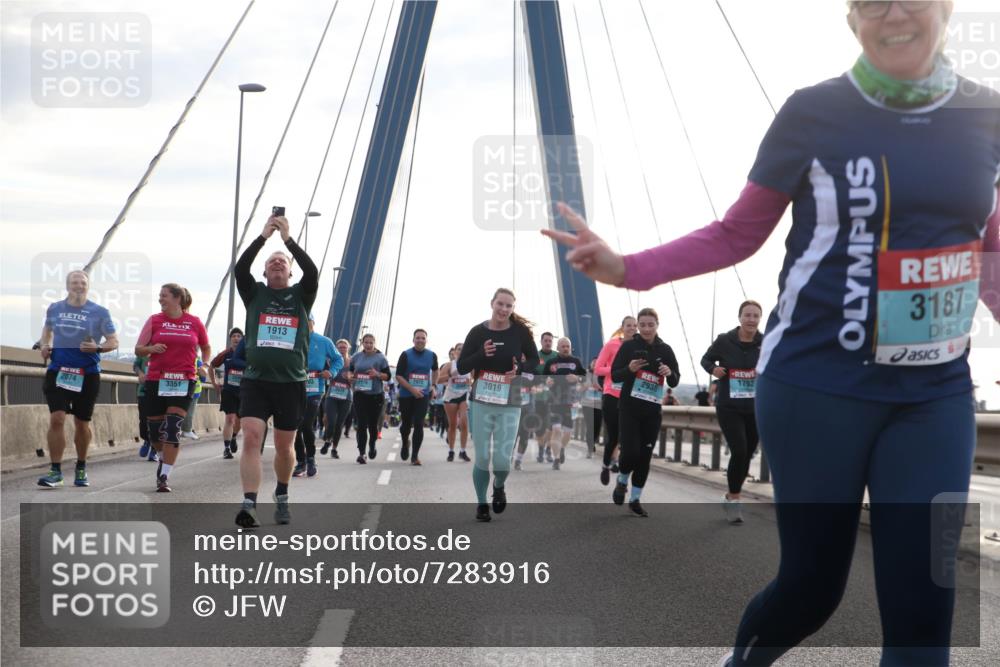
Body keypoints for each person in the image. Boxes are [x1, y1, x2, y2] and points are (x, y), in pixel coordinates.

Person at [544, 1, 1000, 662]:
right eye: (874, 1)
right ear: (852, 19)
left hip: (934, 395)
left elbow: (990, 262)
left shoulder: (987, 116)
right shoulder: (814, 112)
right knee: (812, 589)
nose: (894, 14)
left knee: (927, 608)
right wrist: (627, 269)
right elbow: (738, 233)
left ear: (946, 7)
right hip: (817, 387)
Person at [232, 213, 317, 528]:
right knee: (252, 437)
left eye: (282, 261)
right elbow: (241, 268)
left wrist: (287, 240)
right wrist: (264, 237)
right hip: (256, 380)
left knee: (284, 446)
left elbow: (312, 271)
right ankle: (249, 504)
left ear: (290, 271)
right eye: (272, 262)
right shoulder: (254, 293)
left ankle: (281, 494)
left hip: (291, 383)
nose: (277, 263)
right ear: (265, 272)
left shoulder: (301, 296)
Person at [457, 288, 539, 522]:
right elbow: (462, 367)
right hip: (481, 401)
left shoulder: (520, 332)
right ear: (492, 303)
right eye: (500, 304)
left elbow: (534, 360)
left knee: (502, 460)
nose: (503, 309)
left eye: (508, 306)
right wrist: (481, 354)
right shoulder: (477, 332)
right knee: (482, 458)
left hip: (510, 401)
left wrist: (521, 369)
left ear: (513, 308)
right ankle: (482, 504)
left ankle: (499, 485)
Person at [37, 270, 119, 488]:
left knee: (82, 424)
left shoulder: (100, 312)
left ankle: (81, 466)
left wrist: (99, 347)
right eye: (74, 282)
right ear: (67, 286)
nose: (78, 286)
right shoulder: (55, 308)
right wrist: (45, 344)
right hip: (59, 370)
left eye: (83, 282)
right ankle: (55, 471)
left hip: (87, 374)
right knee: (57, 419)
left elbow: (114, 340)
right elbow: (47, 329)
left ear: (88, 286)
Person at [134, 283, 211, 492]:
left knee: (172, 428)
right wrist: (151, 348)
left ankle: (164, 476)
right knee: (155, 432)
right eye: (159, 296)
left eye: (164, 296)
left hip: (184, 380)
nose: (160, 299)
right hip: (156, 380)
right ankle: (162, 458)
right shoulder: (154, 321)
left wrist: (204, 364)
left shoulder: (194, 322)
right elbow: (138, 349)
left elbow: (205, 347)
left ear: (177, 298)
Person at [609, 308, 680, 517]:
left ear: (657, 325)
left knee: (645, 456)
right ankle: (622, 480)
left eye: (651, 325)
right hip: (629, 408)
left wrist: (669, 373)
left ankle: (635, 499)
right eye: (643, 325)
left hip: (652, 411)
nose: (647, 329)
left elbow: (675, 379)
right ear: (637, 326)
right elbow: (614, 376)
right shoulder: (628, 346)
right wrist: (629, 369)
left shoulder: (665, 349)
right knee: (630, 452)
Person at [701, 300, 764, 524]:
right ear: (740, 317)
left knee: (747, 453)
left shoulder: (765, 342)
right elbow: (706, 359)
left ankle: (730, 494)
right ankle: (735, 499)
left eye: (755, 316)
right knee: (739, 449)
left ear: (759, 319)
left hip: (755, 407)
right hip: (729, 406)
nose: (751, 319)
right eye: (747, 315)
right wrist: (713, 369)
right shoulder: (724, 340)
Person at [294, 314, 343, 477]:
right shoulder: (290, 339)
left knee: (306, 424)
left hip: (315, 388)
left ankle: (310, 459)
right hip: (294, 388)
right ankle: (300, 462)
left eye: (307, 321)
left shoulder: (324, 341)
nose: (304, 324)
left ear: (313, 322)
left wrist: (331, 371)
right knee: (294, 427)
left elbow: (338, 359)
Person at [594, 316, 636, 485]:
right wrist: (618, 368)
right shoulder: (612, 345)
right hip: (611, 394)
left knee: (626, 436)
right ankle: (605, 465)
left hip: (631, 396)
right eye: (628, 325)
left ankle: (621, 471)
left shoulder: (638, 347)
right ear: (622, 327)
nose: (632, 328)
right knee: (613, 436)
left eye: (635, 326)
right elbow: (597, 369)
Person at [395, 329, 439, 466]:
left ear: (426, 340)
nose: (420, 340)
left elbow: (436, 370)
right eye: (418, 338)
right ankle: (404, 443)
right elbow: (398, 376)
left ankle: (414, 456)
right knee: (406, 425)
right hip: (407, 394)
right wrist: (412, 390)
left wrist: (433, 386)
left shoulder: (432, 355)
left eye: (423, 338)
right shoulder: (406, 354)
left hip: (423, 395)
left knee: (419, 423)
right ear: (413, 340)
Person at [541, 337, 586, 470]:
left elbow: (585, 378)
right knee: (556, 429)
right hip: (555, 400)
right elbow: (543, 378)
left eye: (568, 346)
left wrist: (577, 378)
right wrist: (546, 382)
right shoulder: (551, 362)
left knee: (567, 432)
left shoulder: (576, 361)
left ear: (570, 347)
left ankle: (561, 449)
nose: (566, 348)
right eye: (563, 346)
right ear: (558, 348)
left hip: (570, 401)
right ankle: (555, 459)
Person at [349, 333, 391, 464]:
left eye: (370, 343)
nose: (368, 345)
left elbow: (388, 376)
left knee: (373, 426)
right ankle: (362, 453)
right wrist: (350, 376)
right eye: (366, 342)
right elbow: (351, 371)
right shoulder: (356, 357)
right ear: (362, 343)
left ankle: (372, 445)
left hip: (375, 396)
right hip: (360, 394)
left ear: (374, 344)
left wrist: (377, 374)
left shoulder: (381, 358)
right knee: (361, 425)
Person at [209, 327, 245, 459]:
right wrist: (214, 383)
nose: (236, 338)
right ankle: (226, 448)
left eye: (239, 336)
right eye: (234, 336)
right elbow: (212, 366)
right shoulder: (226, 354)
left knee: (239, 421)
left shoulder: (247, 353)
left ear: (242, 340)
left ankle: (234, 437)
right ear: (230, 340)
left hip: (242, 392)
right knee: (230, 418)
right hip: (228, 391)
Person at [438, 344, 472, 462]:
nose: (461, 351)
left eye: (464, 349)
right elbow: (438, 379)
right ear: (455, 352)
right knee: (452, 425)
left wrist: (470, 382)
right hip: (451, 396)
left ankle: (462, 451)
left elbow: (474, 379)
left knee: (464, 423)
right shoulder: (449, 365)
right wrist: (451, 375)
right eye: (459, 349)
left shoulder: (470, 365)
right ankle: (451, 451)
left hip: (463, 395)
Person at [321, 339, 354, 459]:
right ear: (336, 348)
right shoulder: (331, 361)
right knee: (331, 421)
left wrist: (351, 379)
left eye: (344, 347)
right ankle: (327, 441)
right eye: (339, 347)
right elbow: (323, 374)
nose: (342, 349)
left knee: (339, 424)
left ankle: (334, 449)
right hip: (332, 395)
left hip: (346, 397)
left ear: (348, 348)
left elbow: (357, 381)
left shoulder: (352, 363)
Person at [531, 332, 558, 462]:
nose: (548, 343)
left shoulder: (556, 356)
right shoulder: (536, 356)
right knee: (540, 427)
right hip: (538, 397)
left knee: (551, 426)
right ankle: (541, 450)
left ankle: (548, 450)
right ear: (541, 342)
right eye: (546, 340)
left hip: (552, 398)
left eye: (550, 341)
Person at [133, 354, 158, 462]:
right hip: (143, 391)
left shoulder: (165, 348)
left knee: (157, 422)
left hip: (159, 392)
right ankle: (147, 439)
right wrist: (140, 373)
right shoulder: (143, 350)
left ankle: (154, 450)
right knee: (143, 421)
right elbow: (135, 365)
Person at [580, 357, 603, 459]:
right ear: (590, 364)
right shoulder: (585, 374)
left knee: (597, 427)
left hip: (599, 404)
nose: (594, 364)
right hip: (587, 404)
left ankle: (593, 442)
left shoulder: (602, 375)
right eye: (593, 362)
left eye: (597, 363)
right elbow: (578, 388)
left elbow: (607, 387)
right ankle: (590, 448)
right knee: (590, 426)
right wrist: (584, 386)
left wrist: (600, 388)